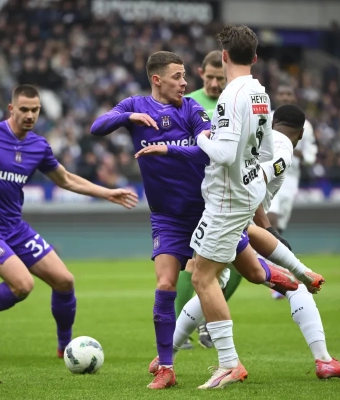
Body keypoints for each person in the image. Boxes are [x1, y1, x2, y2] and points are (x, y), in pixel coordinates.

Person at [92, 51, 302, 390]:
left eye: (185, 76)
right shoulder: (135, 106)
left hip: (206, 210)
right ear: (157, 79)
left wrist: (167, 149)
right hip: (166, 217)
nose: (185, 82)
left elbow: (211, 150)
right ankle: (166, 368)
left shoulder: (191, 109)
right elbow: (97, 127)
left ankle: (277, 275)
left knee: (251, 272)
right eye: (177, 76)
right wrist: (129, 116)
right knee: (165, 285)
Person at [0, 84, 138, 358]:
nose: (30, 115)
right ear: (11, 109)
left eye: (35, 110)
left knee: (64, 281)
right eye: (24, 109)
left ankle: (65, 349)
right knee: (23, 285)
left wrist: (107, 193)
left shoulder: (38, 146)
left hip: (14, 227)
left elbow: (66, 179)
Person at [148, 105, 340, 380]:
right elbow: (255, 181)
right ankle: (323, 360)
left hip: (220, 217)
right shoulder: (283, 146)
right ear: (301, 133)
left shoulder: (258, 139)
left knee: (210, 283)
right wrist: (267, 227)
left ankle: (166, 356)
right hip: (236, 221)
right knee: (295, 286)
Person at [187, 25, 322, 390]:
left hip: (228, 196)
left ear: (224, 56)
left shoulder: (231, 95)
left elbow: (224, 153)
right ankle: (295, 275)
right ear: (255, 57)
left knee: (203, 277)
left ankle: (229, 363)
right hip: (245, 190)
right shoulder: (260, 93)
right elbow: (263, 152)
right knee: (223, 267)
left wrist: (201, 137)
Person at [179, 50, 243, 350]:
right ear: (201, 73)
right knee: (191, 263)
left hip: (229, 194)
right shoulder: (187, 102)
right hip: (195, 192)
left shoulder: (234, 103)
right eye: (211, 77)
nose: (216, 83)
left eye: (221, 78)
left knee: (241, 262)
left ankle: (206, 317)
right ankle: (182, 328)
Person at [268, 84, 317, 300]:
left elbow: (310, 156)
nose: (285, 97)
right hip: (270, 174)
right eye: (281, 94)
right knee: (271, 221)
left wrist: (293, 151)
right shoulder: (266, 118)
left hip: (290, 179)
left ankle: (275, 270)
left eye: (288, 94)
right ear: (276, 96)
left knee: (278, 227)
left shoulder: (305, 125)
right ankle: (276, 278)